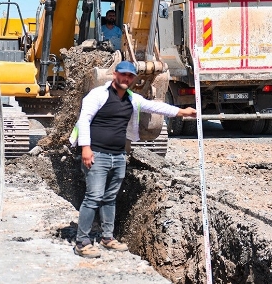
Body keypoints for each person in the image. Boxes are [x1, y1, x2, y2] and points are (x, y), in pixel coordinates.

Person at [69, 61, 196, 258]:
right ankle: (82, 242)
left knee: (110, 198)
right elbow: (84, 119)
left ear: (133, 78)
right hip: (97, 155)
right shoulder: (98, 95)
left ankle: (107, 238)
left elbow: (155, 106)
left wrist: (182, 112)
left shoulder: (132, 99)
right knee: (93, 197)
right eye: (123, 75)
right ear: (114, 74)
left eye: (130, 76)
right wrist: (86, 148)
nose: (126, 78)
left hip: (119, 156)